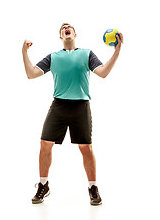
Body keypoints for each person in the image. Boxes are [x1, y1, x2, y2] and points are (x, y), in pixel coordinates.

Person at [22, 23, 123, 205]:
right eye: (63, 28)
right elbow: (31, 74)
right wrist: (24, 52)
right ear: (61, 36)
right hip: (59, 106)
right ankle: (43, 185)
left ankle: (93, 187)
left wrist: (117, 51)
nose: (66, 28)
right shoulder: (53, 57)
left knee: (86, 148)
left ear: (75, 33)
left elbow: (103, 73)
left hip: (81, 106)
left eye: (69, 27)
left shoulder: (87, 54)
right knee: (45, 143)